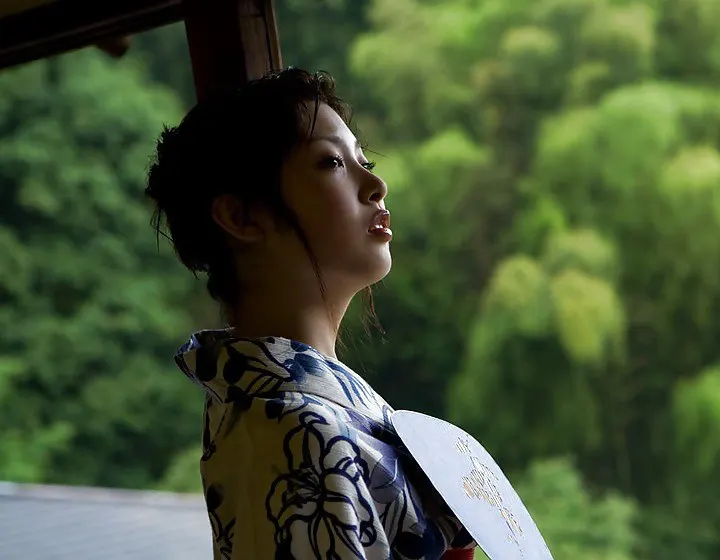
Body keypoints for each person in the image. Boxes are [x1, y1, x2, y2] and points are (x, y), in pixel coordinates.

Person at [145, 68, 476, 560]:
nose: (377, 184)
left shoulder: (297, 414)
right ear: (242, 217)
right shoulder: (289, 429)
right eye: (332, 162)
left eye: (364, 161)